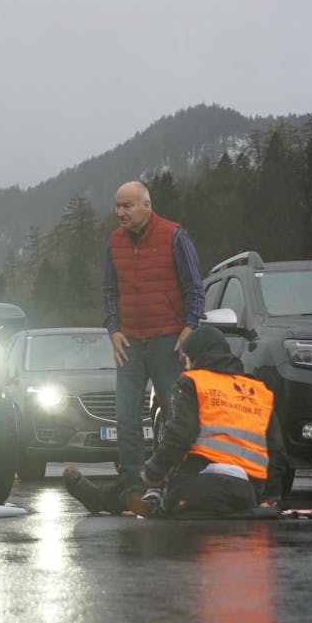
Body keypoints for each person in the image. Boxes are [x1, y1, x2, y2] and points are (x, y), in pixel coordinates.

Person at [63, 325, 280, 518]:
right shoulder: (259, 391)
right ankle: (156, 500)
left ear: (196, 356)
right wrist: (270, 498)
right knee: (162, 483)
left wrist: (153, 475)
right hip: (244, 494)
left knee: (137, 483)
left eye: (186, 359)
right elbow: (278, 453)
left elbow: (179, 435)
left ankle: (108, 499)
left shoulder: (194, 382)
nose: (185, 366)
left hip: (196, 488)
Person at [101, 180, 205, 477]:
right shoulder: (114, 242)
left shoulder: (175, 236)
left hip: (168, 341)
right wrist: (113, 330)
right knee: (125, 416)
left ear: (147, 206)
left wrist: (190, 328)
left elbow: (194, 287)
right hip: (130, 343)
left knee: (175, 415)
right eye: (117, 206)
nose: (120, 212)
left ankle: (179, 478)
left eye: (127, 206)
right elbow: (109, 291)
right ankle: (132, 481)